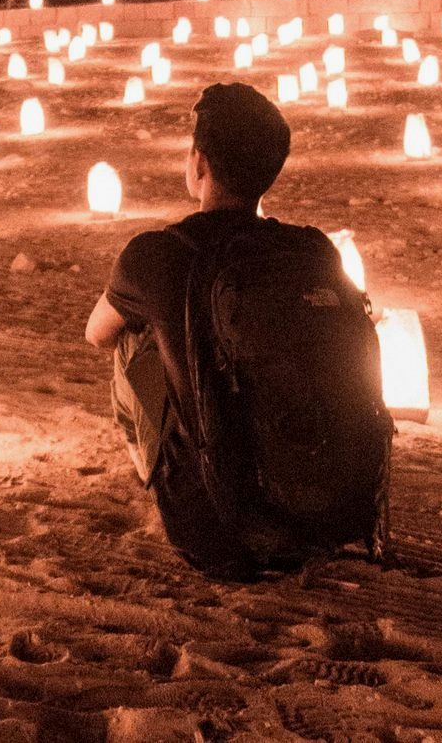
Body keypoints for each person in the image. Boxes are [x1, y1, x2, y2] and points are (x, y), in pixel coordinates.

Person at [85, 78, 389, 576]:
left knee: (132, 337)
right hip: (330, 515)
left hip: (215, 531)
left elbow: (96, 333)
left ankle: (182, 474)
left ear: (199, 163)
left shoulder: (159, 254)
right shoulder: (314, 251)